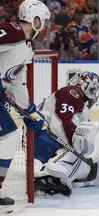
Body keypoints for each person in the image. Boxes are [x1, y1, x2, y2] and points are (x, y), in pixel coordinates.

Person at [29, 71, 99, 196]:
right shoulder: (71, 93)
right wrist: (76, 147)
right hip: (42, 137)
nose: (94, 94)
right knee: (78, 151)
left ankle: (51, 173)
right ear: (85, 84)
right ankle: (52, 176)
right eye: (93, 89)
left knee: (84, 156)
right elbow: (61, 122)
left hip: (46, 139)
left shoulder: (79, 101)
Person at [0, 0, 50, 206]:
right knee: (8, 136)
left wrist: (30, 111)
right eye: (43, 20)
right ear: (34, 18)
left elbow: (17, 82)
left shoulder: (27, 47)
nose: (45, 25)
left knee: (10, 136)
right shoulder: (10, 31)